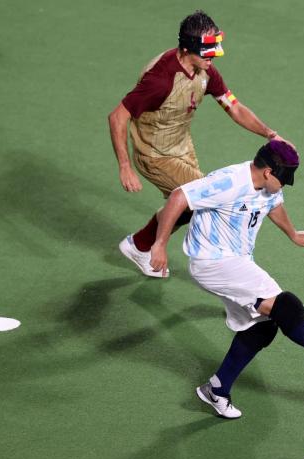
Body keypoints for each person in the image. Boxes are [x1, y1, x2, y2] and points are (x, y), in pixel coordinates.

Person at [149, 140, 304, 418]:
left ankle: (217, 389)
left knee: (262, 326)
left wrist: (293, 234)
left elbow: (273, 204)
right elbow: (178, 196)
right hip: (213, 262)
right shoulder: (229, 182)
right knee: (286, 306)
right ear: (267, 172)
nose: (286, 184)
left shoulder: (266, 187)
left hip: (236, 262)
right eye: (283, 178)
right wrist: (160, 244)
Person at [108, 10, 292, 278]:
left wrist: (269, 134)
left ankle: (140, 244)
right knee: (206, 203)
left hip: (183, 147)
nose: (215, 55)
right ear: (186, 49)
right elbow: (117, 117)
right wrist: (125, 166)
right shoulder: (161, 80)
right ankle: (222, 272)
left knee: (189, 202)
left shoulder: (205, 71)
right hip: (156, 154)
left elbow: (234, 107)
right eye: (208, 51)